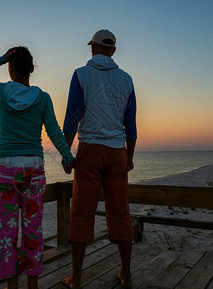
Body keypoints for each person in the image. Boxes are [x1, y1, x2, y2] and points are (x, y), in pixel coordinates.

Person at [0, 46, 75, 289]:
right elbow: (54, 132)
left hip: (5, 171)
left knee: (7, 234)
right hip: (33, 172)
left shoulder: (0, 91)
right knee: (33, 232)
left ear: (10, 68)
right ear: (31, 69)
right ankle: (33, 286)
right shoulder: (42, 98)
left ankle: (12, 287)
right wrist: (68, 158)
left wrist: (1, 57)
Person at [61, 30, 137, 288]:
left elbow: (72, 117)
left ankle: (77, 277)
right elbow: (131, 123)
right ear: (113, 51)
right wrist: (130, 156)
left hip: (91, 150)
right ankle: (126, 273)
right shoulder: (126, 79)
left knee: (82, 212)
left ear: (92, 48)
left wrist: (66, 154)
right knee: (121, 213)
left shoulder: (81, 74)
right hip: (117, 152)